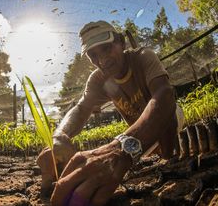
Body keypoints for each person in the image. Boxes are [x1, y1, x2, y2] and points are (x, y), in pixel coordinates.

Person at [36, 20, 184, 205]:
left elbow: (164, 95)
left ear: (121, 42)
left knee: (165, 129)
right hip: (137, 131)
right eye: (93, 55)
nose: (102, 59)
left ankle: (171, 161)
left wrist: (120, 148)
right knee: (144, 153)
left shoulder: (142, 57)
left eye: (106, 48)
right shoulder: (98, 79)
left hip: (169, 117)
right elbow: (81, 109)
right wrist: (59, 136)